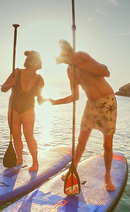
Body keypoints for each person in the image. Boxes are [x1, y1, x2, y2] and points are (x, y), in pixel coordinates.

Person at [49, 39, 117, 191]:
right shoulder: (69, 71)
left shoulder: (82, 56)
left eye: (64, 57)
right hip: (91, 105)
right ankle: (72, 169)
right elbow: (75, 96)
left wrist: (81, 64)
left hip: (107, 102)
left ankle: (107, 176)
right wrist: (55, 102)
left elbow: (105, 71)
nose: (64, 62)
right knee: (81, 140)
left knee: (107, 144)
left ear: (70, 53)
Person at [1, 50, 45, 172]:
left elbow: (40, 99)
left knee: (29, 136)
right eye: (35, 59)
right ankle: (19, 159)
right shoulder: (17, 72)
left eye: (38, 59)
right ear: (29, 61)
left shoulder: (40, 79)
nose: (37, 61)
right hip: (13, 106)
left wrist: (52, 101)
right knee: (16, 135)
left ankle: (35, 162)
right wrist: (9, 84)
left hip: (28, 108)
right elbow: (3, 88)